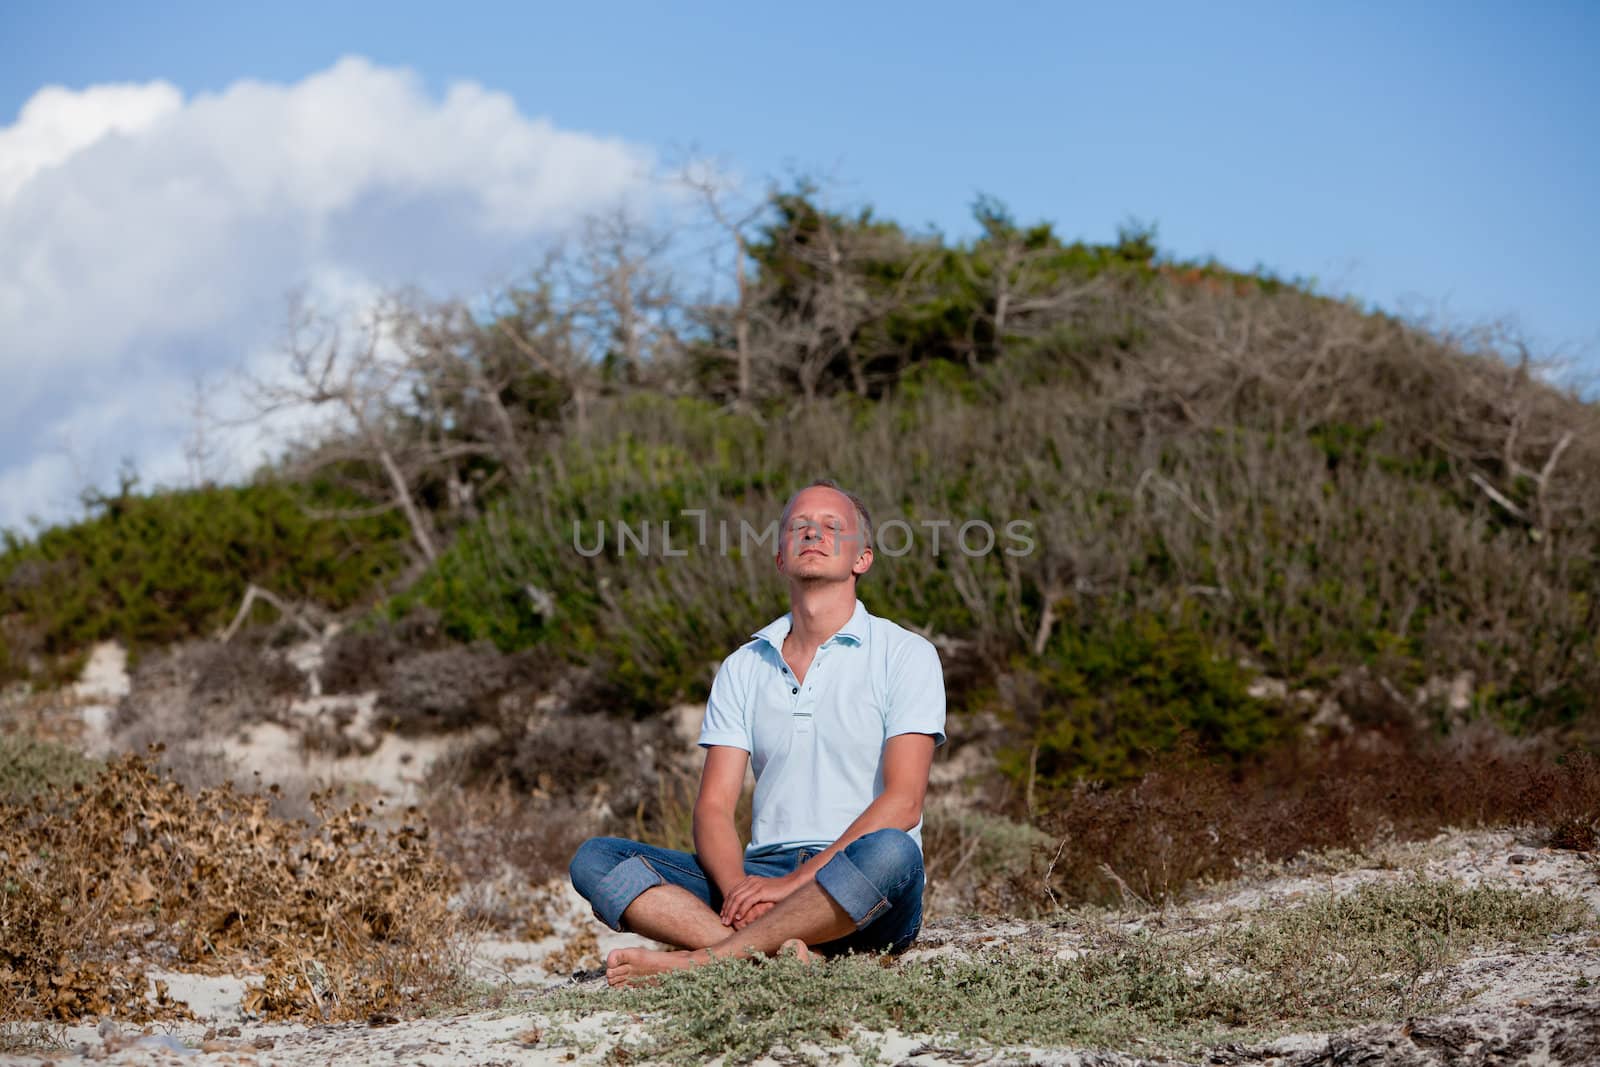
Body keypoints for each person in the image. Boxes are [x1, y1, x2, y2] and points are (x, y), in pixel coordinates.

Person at [568, 478, 948, 987]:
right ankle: (775, 955)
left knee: (893, 850)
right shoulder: (744, 665)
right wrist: (737, 890)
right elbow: (714, 808)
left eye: (833, 527)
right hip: (759, 873)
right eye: (799, 527)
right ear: (780, 558)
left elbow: (904, 803)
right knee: (597, 860)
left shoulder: (905, 654)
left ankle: (706, 962)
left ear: (863, 559)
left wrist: (795, 884)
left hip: (857, 879)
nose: (813, 534)